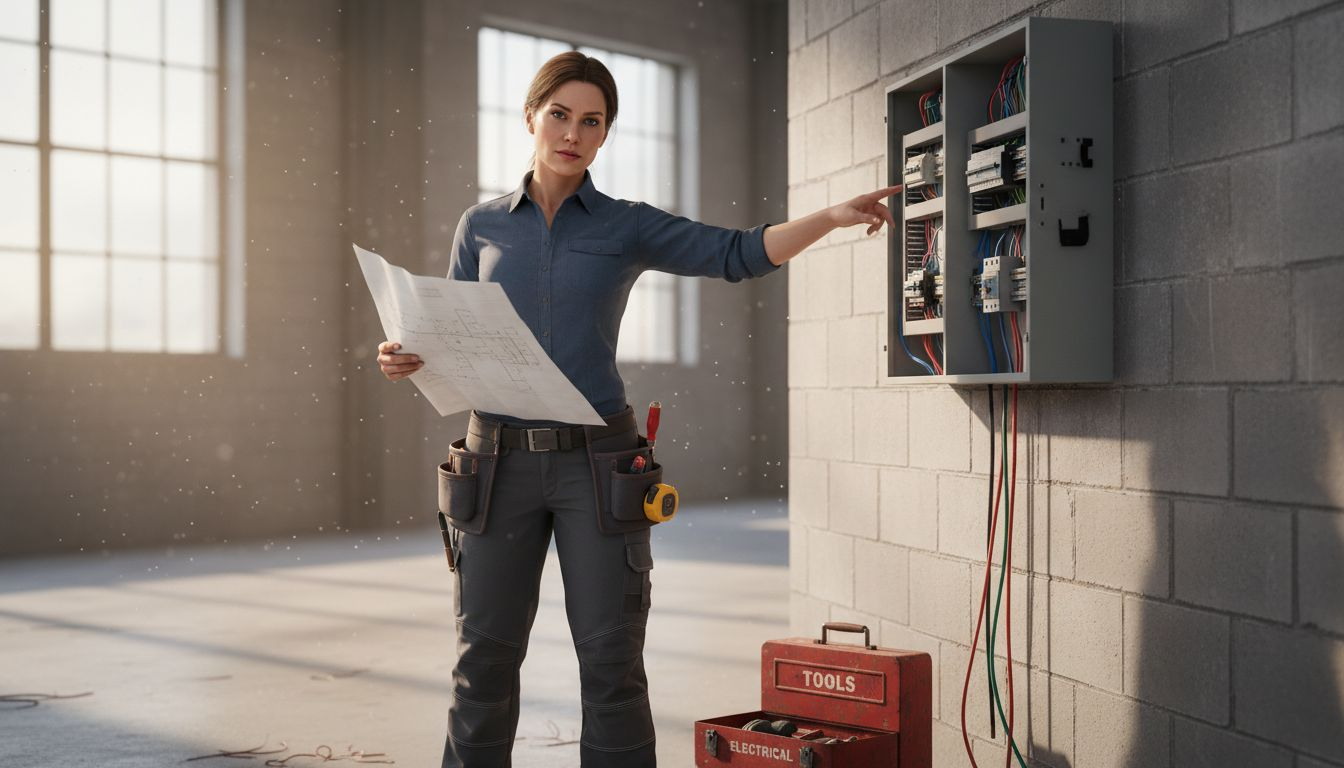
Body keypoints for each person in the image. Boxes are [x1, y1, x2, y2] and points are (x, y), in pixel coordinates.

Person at [376, 51, 897, 768]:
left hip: (599, 467)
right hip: (495, 465)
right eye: (560, 115)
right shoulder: (481, 226)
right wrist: (405, 356)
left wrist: (831, 218)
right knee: (482, 664)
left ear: (605, 134)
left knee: (611, 663)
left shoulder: (624, 226)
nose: (573, 133)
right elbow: (451, 335)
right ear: (530, 117)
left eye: (592, 121)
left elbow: (737, 254)